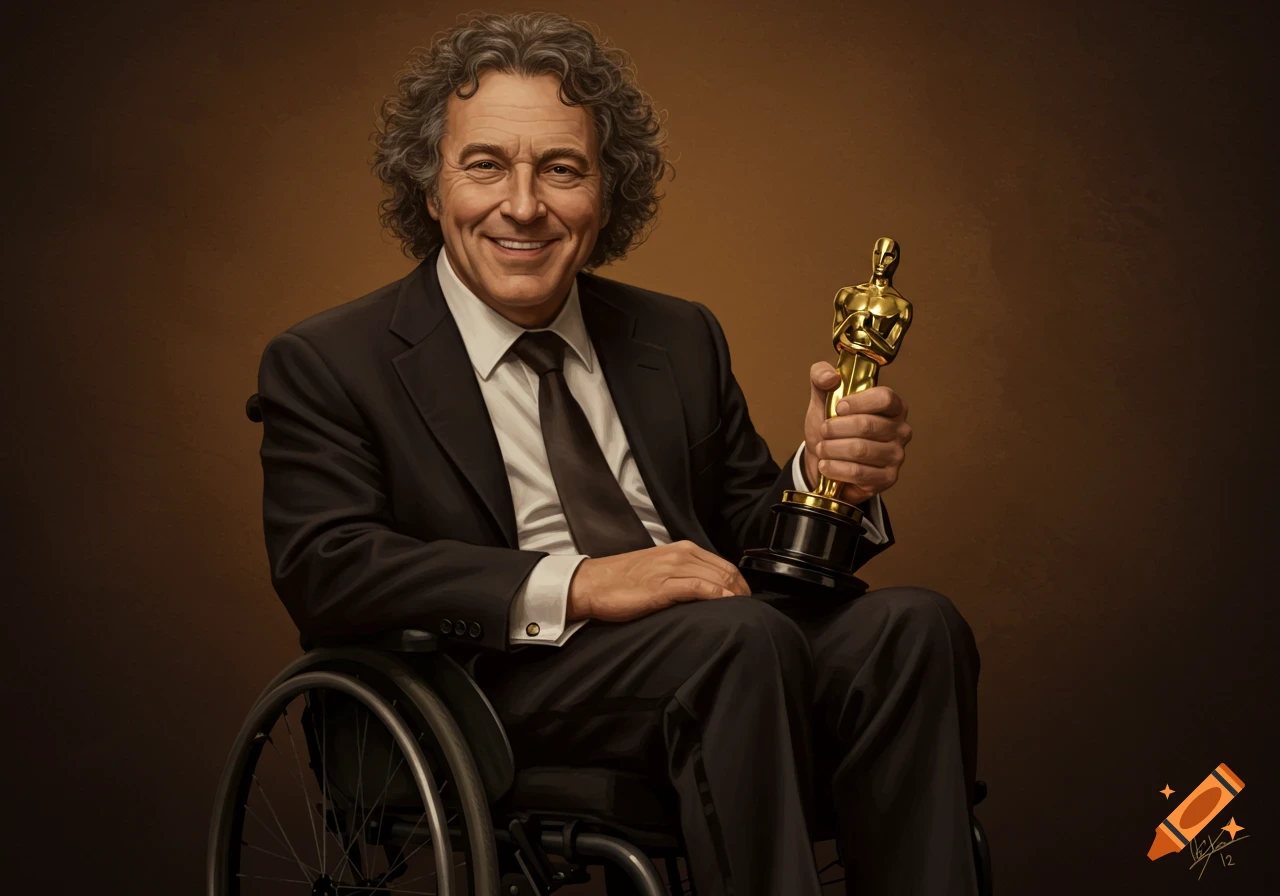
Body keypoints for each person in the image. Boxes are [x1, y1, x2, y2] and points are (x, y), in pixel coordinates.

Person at [256, 11, 980, 895]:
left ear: (608, 192)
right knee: (738, 638)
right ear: (431, 187)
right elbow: (328, 568)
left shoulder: (676, 336)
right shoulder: (330, 360)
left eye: (562, 169)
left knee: (914, 627)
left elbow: (751, 539)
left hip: (725, 654)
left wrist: (823, 478)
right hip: (490, 685)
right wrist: (584, 584)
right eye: (485, 165)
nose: (524, 205)